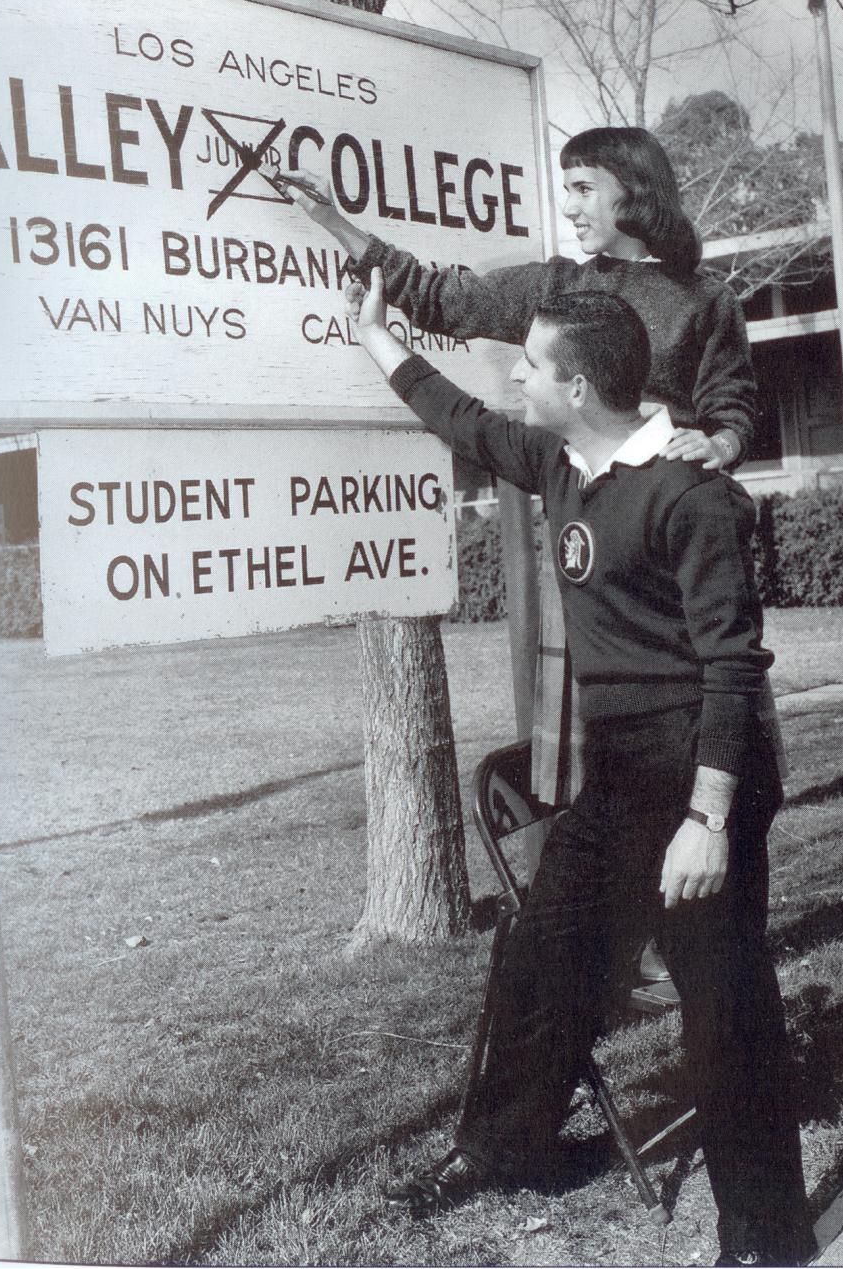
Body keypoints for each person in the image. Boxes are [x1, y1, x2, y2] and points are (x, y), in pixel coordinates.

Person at [342, 267, 814, 1269]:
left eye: (532, 364)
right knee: (537, 951)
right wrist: (375, 338)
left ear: (582, 389)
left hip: (701, 772)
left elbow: (731, 665)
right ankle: (504, 1144)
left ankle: (765, 1238)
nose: (515, 374)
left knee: (720, 1000)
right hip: (617, 774)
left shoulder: (692, 497)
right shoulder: (564, 464)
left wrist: (708, 819)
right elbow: (463, 420)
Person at [283, 126, 767, 989]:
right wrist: (335, 222)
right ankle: (608, 955)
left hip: (670, 560)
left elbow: (732, 406)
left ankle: (698, 934)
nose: (570, 206)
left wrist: (718, 445)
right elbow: (442, 297)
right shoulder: (555, 286)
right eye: (566, 188)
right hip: (587, 553)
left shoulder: (705, 299)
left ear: (633, 191)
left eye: (584, 187)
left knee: (704, 749)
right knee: (587, 777)